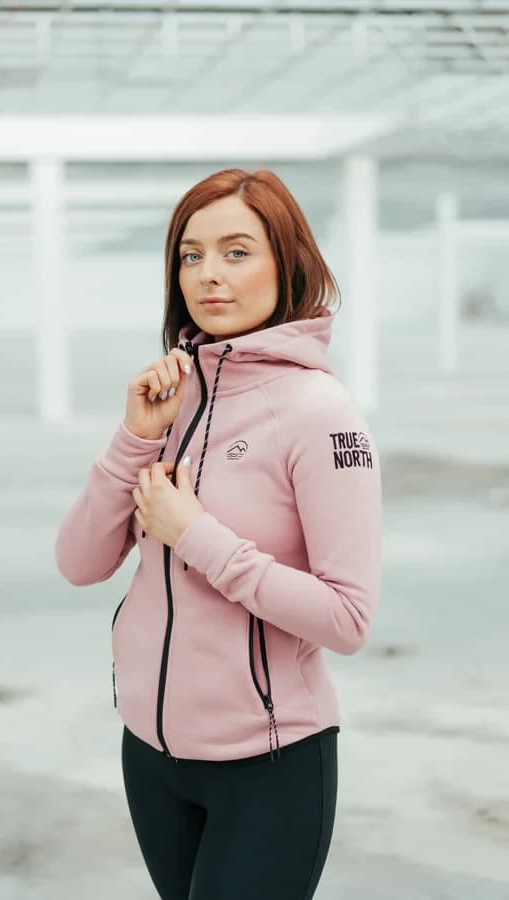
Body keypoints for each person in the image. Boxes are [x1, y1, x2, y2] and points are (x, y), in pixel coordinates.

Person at [55, 167, 382, 900]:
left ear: (286, 264)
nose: (209, 274)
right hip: (151, 754)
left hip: (270, 765)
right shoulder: (174, 398)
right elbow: (78, 562)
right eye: (191, 254)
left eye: (237, 251)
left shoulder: (320, 413)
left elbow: (348, 618)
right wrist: (134, 439)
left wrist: (197, 535)